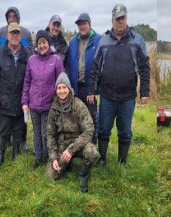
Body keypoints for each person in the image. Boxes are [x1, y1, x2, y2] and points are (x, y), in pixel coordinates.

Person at [88, 4, 150, 167]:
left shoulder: (138, 40)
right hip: (107, 96)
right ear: (112, 20)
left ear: (126, 19)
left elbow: (144, 67)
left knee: (125, 132)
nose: (120, 22)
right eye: (117, 19)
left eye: (122, 18)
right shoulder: (103, 41)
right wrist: (92, 90)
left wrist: (144, 91)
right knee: (103, 129)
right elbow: (94, 68)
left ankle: (122, 162)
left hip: (127, 97)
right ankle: (102, 159)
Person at [46, 72, 99, 193]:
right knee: (50, 175)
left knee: (92, 153)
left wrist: (71, 150)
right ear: (56, 90)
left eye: (64, 87)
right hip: (62, 144)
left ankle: (83, 174)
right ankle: (66, 164)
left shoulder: (79, 105)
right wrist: (54, 158)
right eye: (59, 88)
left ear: (69, 89)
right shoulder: (53, 109)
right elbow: (50, 135)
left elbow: (89, 130)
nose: (62, 91)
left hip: (79, 143)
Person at [22, 30, 64, 169]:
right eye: (39, 43)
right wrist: (25, 101)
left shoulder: (56, 59)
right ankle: (38, 156)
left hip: (49, 105)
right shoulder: (31, 60)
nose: (42, 46)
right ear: (36, 44)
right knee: (36, 133)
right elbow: (27, 82)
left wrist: (59, 102)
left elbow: (61, 81)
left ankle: (48, 157)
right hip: (34, 104)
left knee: (46, 133)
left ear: (48, 43)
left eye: (44, 42)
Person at [0, 22, 31, 167]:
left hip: (21, 101)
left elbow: (30, 78)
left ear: (20, 36)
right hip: (4, 101)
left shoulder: (27, 54)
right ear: (7, 35)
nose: (14, 36)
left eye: (17, 33)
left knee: (18, 129)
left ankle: (15, 154)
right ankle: (0, 155)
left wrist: (28, 101)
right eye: (12, 33)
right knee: (2, 129)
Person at [0, 6, 33, 151]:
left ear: (18, 17)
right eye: (9, 16)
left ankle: (22, 140)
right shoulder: (0, 32)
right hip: (5, 77)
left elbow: (31, 55)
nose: (11, 18)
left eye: (14, 16)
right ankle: (6, 141)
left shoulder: (27, 33)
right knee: (5, 116)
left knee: (20, 115)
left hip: (21, 80)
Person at [66, 13, 101, 145]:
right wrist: (70, 87)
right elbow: (69, 65)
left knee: (91, 117)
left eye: (84, 23)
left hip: (90, 88)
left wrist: (96, 89)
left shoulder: (98, 40)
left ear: (89, 24)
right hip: (76, 87)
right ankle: (79, 145)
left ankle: (92, 144)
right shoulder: (73, 41)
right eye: (80, 24)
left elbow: (101, 66)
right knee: (76, 116)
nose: (82, 26)